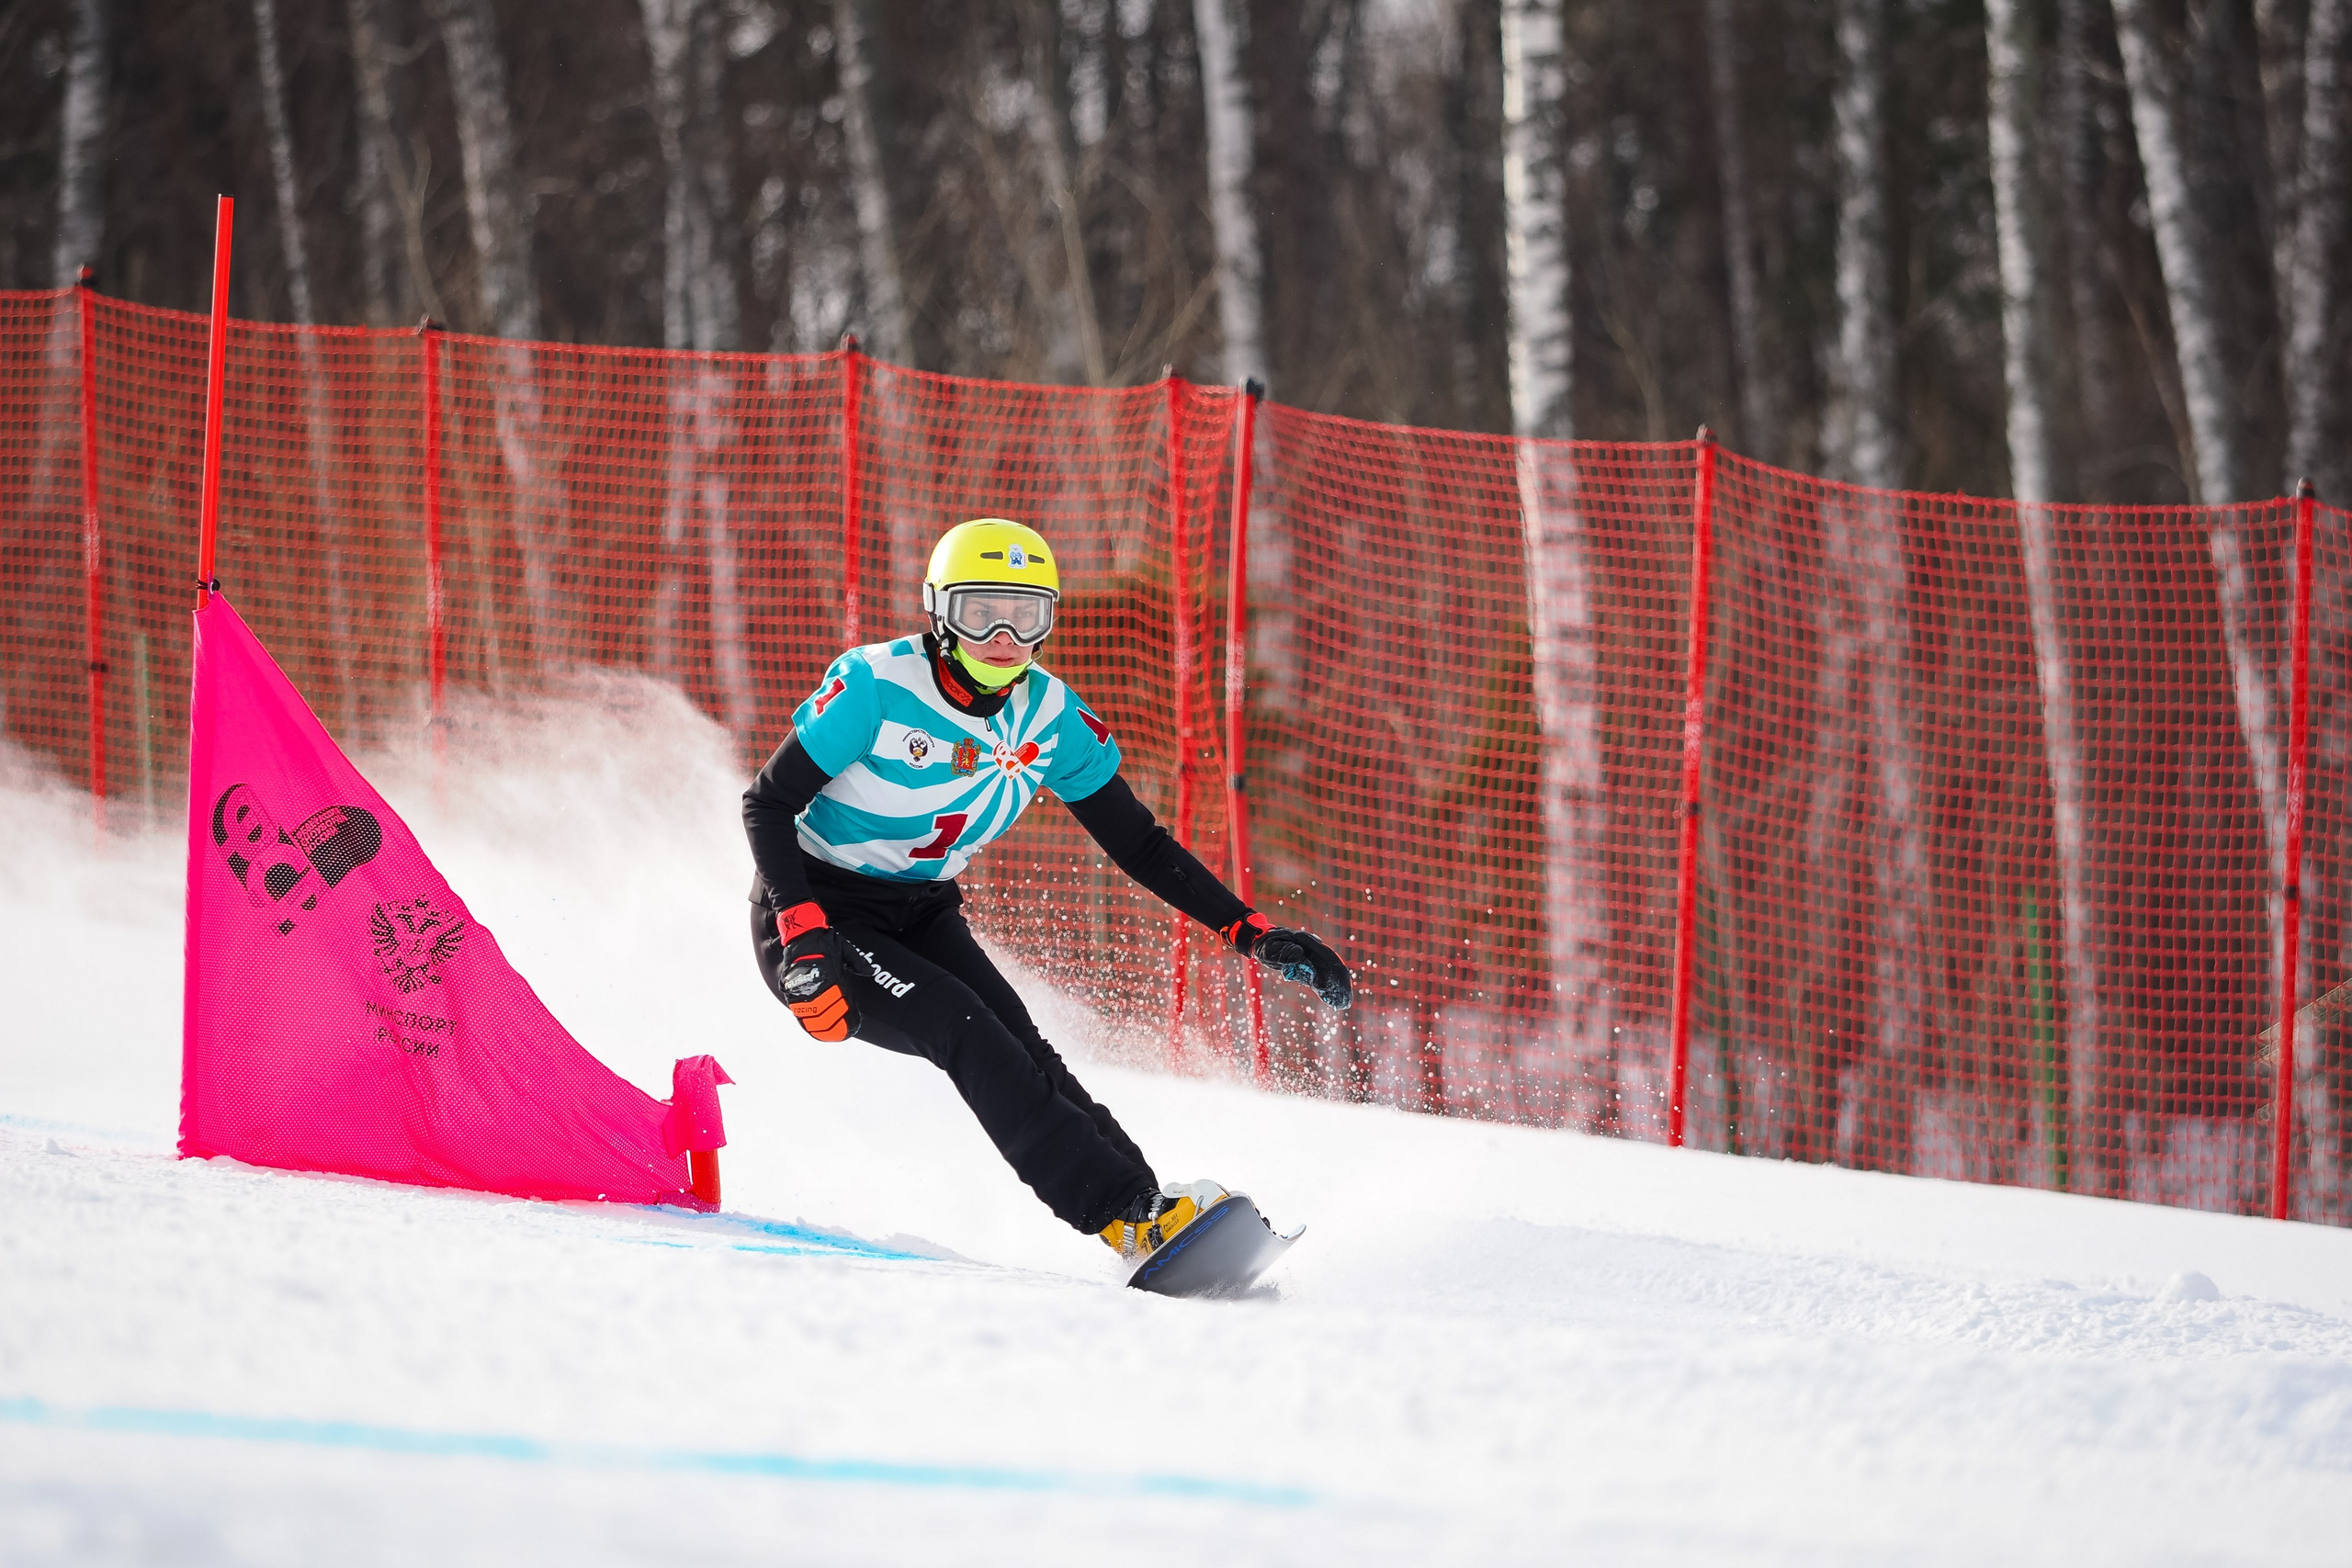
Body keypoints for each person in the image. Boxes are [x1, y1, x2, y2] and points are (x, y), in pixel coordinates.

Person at [743, 517, 1351, 1262]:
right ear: (939, 614)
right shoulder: (876, 687)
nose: (1003, 635)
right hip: (813, 908)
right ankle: (1123, 1215)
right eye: (980, 612)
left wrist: (1248, 929)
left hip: (922, 907)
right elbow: (766, 804)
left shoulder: (1052, 718)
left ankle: (1146, 1207)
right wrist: (803, 934)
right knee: (964, 1029)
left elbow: (1139, 842)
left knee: (1023, 1046)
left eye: (1026, 615)